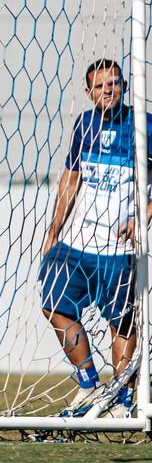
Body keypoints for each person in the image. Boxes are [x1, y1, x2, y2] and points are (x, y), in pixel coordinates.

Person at [39, 58, 149, 418]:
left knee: (122, 324)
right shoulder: (84, 124)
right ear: (89, 92)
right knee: (54, 305)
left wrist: (143, 216)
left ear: (125, 86)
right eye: (100, 86)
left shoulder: (144, 125)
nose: (108, 90)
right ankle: (88, 384)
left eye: (114, 83)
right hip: (77, 244)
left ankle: (122, 402)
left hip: (119, 249)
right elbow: (71, 177)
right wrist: (54, 231)